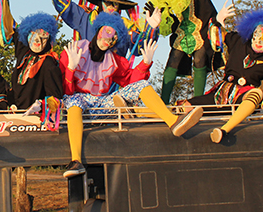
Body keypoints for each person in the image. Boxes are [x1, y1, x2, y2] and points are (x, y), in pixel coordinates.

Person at [59, 12, 203, 178]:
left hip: (103, 105)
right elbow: (66, 91)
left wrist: (146, 63)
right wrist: (70, 68)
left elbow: (131, 80)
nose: (108, 39)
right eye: (107, 32)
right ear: (98, 29)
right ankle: (76, 160)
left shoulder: (114, 60)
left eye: (114, 38)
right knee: (73, 102)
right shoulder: (76, 50)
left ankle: (173, 122)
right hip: (80, 103)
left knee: (141, 85)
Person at [184, 3, 263, 143]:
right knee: (186, 105)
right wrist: (217, 21)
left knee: (257, 93)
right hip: (222, 94)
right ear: (252, 34)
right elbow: (217, 42)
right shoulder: (238, 42)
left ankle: (223, 130)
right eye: (257, 36)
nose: (259, 42)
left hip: (245, 98)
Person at [141, 0, 224, 103]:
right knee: (174, 59)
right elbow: (165, 24)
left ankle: (198, 102)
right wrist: (157, 19)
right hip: (183, 31)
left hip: (203, 26)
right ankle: (163, 102)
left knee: (201, 58)